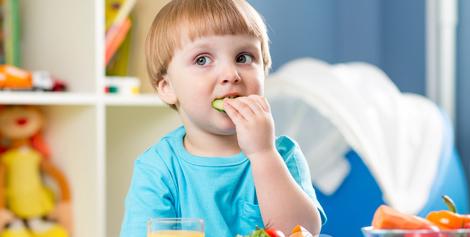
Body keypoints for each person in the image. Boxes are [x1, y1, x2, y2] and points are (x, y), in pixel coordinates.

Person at [120, 0, 326, 237]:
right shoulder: (158, 168)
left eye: (243, 57)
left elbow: (303, 231)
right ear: (167, 87)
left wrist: (263, 154)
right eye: (202, 60)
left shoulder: (282, 154)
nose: (231, 74)